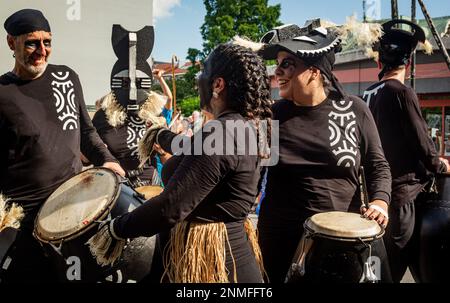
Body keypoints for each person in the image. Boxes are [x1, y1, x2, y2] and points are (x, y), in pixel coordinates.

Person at [87, 41, 273, 283]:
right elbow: (200, 152)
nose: (198, 81)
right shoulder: (256, 128)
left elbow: (171, 207)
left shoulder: (221, 132)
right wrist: (161, 135)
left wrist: (116, 229)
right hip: (235, 257)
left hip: (217, 266)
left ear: (218, 84)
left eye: (203, 73)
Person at [257, 21, 392, 283]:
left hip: (342, 242)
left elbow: (378, 165)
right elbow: (252, 171)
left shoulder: (354, 110)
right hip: (280, 241)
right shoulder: (271, 116)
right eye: (277, 64)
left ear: (314, 71)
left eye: (287, 63)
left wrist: (380, 202)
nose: (277, 72)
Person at [0, 9, 125, 283]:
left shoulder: (66, 78)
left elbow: (87, 132)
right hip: (25, 221)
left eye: (47, 42)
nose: (41, 51)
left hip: (75, 209)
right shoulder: (2, 93)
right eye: (32, 42)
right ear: (11, 42)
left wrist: (107, 159)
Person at [362, 19, 450, 283]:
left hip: (376, 196)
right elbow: (423, 142)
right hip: (402, 199)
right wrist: (442, 166)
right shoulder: (402, 92)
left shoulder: (367, 93)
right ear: (408, 63)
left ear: (379, 63)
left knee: (377, 267)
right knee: (397, 267)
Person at [92, 25, 170, 188]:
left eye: (139, 82)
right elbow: (84, 156)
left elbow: (167, 160)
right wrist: (98, 153)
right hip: (117, 187)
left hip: (151, 186)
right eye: (125, 82)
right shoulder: (103, 117)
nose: (132, 89)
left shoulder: (153, 116)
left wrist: (162, 151)